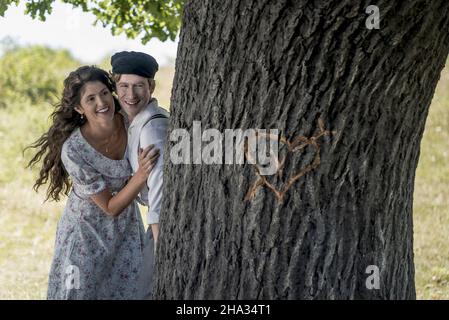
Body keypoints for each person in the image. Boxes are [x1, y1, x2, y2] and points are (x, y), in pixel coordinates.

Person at [26, 66, 160, 299]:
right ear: (79, 108)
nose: (101, 102)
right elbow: (110, 207)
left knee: (126, 292)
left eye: (104, 93)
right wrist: (140, 176)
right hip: (85, 232)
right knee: (80, 293)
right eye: (91, 98)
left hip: (126, 229)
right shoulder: (74, 149)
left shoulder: (131, 124)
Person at [110, 51, 169, 298]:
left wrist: (160, 243)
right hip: (155, 222)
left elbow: (160, 186)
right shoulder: (133, 121)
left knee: (145, 292)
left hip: (162, 223)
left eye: (138, 86)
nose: (130, 95)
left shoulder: (153, 126)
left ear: (151, 86)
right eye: (123, 86)